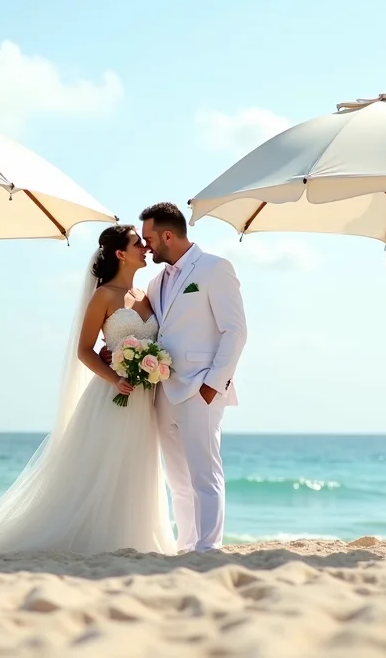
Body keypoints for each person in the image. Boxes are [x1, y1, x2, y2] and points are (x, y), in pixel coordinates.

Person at [0, 225, 175, 555]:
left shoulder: (146, 295)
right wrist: (115, 378)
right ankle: (99, 537)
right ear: (120, 254)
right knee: (104, 467)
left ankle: (134, 537)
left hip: (145, 397)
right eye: (137, 243)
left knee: (137, 466)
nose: (145, 247)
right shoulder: (103, 296)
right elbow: (84, 350)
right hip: (113, 394)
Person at [105, 202, 248, 552]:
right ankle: (187, 545)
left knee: (205, 474)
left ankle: (208, 547)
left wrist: (213, 385)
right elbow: (152, 331)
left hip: (201, 390)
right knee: (179, 481)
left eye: (150, 239)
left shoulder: (215, 268)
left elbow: (235, 331)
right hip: (162, 390)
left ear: (168, 235)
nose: (146, 245)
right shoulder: (156, 282)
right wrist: (117, 351)